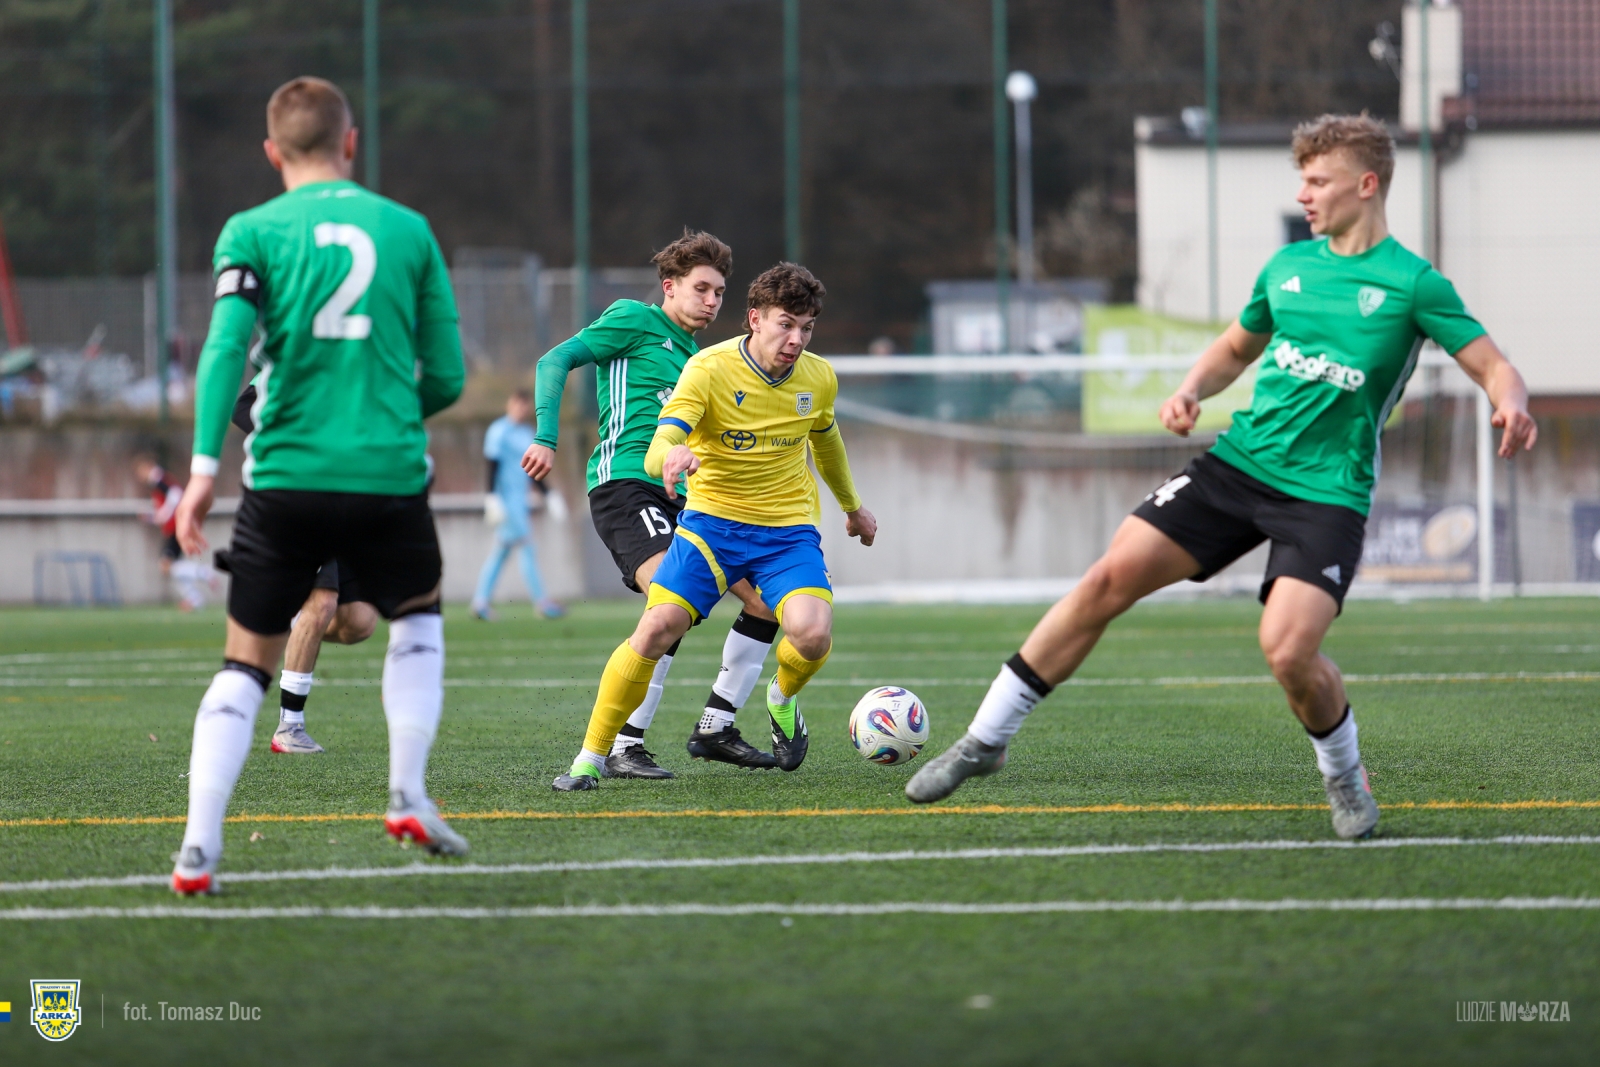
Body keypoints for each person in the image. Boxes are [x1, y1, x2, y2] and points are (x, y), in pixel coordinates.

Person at [906, 114, 1537, 839]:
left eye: (1317, 181)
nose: (1303, 194)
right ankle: (984, 741)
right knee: (1106, 579)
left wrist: (1512, 402)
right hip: (1237, 467)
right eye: (1301, 180)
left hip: (1326, 494)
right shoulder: (1287, 268)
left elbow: (1493, 365)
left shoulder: (1413, 284)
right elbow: (1236, 348)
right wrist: (1190, 390)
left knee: (1289, 650)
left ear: (1367, 185)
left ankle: (1343, 775)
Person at [170, 75, 469, 895]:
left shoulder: (251, 229)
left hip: (286, 477)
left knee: (243, 664)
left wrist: (201, 473)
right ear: (351, 143)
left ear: (272, 152)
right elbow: (447, 375)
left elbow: (223, 351)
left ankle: (198, 848)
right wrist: (385, 417)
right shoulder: (408, 230)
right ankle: (407, 793)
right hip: (386, 474)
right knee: (417, 621)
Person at [551, 262, 877, 791]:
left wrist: (853, 507)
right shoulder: (708, 368)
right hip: (711, 528)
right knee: (657, 626)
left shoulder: (819, 377)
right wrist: (671, 457)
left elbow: (826, 440)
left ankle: (780, 698)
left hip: (786, 533)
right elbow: (661, 443)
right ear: (755, 319)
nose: (796, 340)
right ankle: (591, 759)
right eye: (786, 324)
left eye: (807, 327)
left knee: (813, 634)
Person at [523, 230, 784, 781]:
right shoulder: (633, 320)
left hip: (692, 501)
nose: (711, 301)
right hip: (626, 486)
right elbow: (555, 359)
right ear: (669, 287)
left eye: (719, 292)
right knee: (670, 597)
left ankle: (717, 726)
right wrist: (545, 437)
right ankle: (623, 744)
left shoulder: (706, 360)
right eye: (701, 289)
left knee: (765, 603)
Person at [227, 383, 379, 755]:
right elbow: (243, 405)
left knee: (359, 623)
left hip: (350, 503)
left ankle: (296, 625)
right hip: (303, 498)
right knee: (322, 602)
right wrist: (298, 443)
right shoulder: (300, 358)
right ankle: (289, 726)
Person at [472, 389, 564, 620]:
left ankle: (480, 602)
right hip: (505, 502)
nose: (522, 409)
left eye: (526, 405)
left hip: (519, 502)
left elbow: (532, 469)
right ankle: (542, 602)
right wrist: (491, 497)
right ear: (510, 404)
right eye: (519, 404)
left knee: (501, 552)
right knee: (527, 548)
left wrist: (549, 494)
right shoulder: (498, 431)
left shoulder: (527, 433)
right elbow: (491, 464)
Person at [134, 457, 214, 610]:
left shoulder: (159, 480)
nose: (140, 477)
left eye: (141, 472)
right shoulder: (158, 481)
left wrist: (164, 515)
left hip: (175, 527)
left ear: (148, 467)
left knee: (166, 565)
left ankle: (203, 573)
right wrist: (151, 516)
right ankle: (195, 598)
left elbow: (176, 495)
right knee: (171, 567)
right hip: (173, 526)